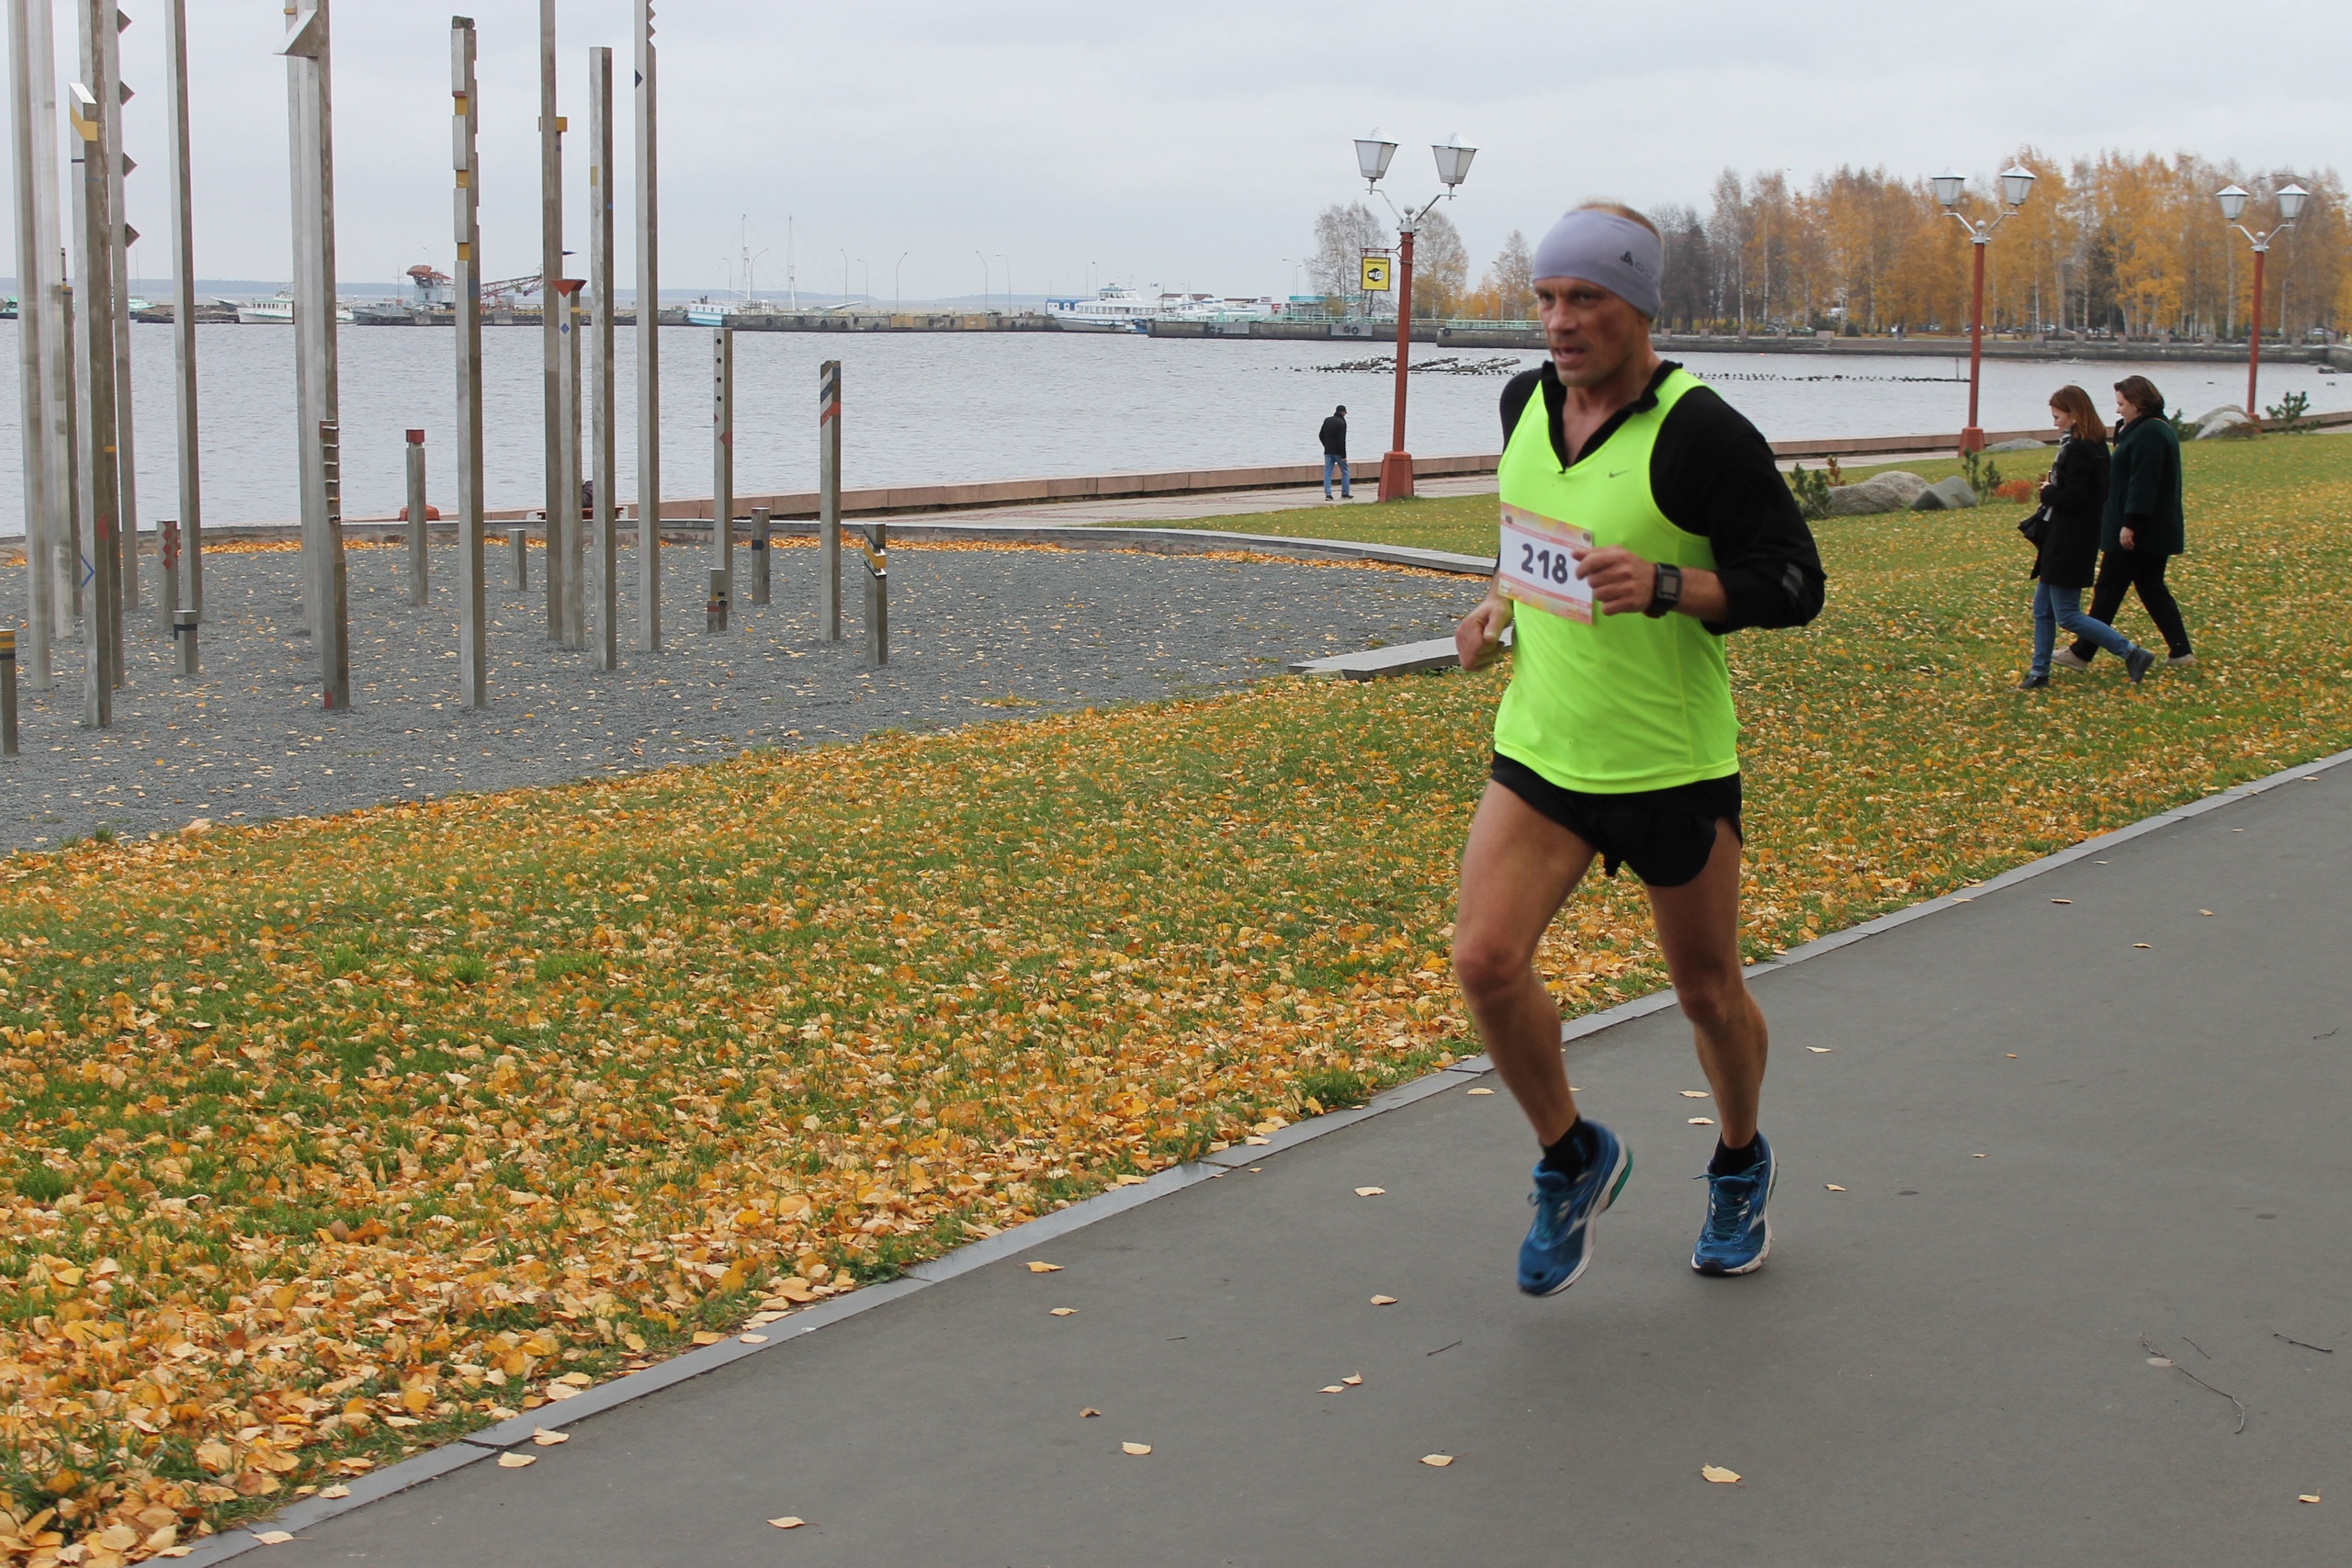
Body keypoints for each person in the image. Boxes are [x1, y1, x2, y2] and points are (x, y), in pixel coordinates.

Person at [1451, 204, 1826, 1296]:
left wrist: (1669, 585)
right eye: (1546, 300)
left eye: (1585, 301)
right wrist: (1495, 612)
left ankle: (1739, 1160)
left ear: (1640, 307)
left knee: (1706, 993)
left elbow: (1794, 584)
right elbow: (1535, 549)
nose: (1559, 323)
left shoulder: (1703, 432)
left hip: (1669, 763)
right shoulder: (1524, 400)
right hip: (1543, 750)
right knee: (1483, 961)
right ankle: (1571, 1158)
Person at [2018, 386, 2155, 689]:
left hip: (2069, 541)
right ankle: (2039, 672)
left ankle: (2131, 652)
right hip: (2066, 538)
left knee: (2066, 614)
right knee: (2043, 609)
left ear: (2072, 414)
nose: (2054, 423)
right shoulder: (2094, 444)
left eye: (2057, 416)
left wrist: (2048, 491)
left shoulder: (2078, 448)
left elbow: (2075, 498)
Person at [2057, 374, 2192, 671]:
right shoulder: (2150, 429)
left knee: (2109, 587)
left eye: (2121, 404)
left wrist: (2130, 523)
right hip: (2151, 528)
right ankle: (2181, 651)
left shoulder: (2150, 435)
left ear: (2138, 403)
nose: (2118, 410)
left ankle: (2082, 652)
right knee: (2150, 587)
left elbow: (2143, 482)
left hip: (2140, 530)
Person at [1318, 404, 1351, 500]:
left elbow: (1321, 435)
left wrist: (1326, 445)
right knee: (1345, 471)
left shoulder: (1327, 420)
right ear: (1343, 412)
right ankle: (1345, 493)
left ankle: (1328, 494)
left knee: (1327, 472)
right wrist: (1343, 455)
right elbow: (1342, 440)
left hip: (1328, 451)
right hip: (1338, 452)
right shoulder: (1342, 423)